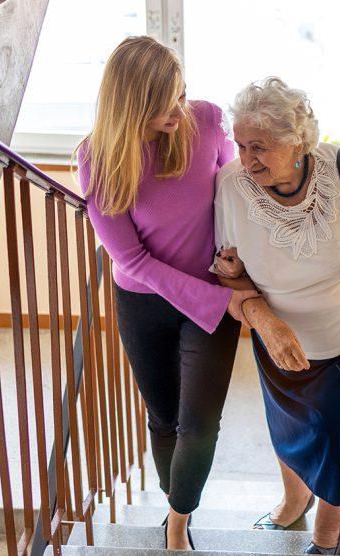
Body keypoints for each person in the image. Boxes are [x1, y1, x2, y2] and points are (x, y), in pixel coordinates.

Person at [76, 36, 258, 551]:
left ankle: (178, 522)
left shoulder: (205, 120)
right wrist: (221, 302)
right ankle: (175, 498)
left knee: (199, 425)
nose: (180, 109)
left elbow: (235, 189)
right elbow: (131, 260)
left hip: (211, 292)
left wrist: (234, 255)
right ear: (132, 105)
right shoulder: (97, 160)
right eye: (165, 104)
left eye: (182, 94)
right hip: (145, 302)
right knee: (164, 419)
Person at [211, 77, 340, 555]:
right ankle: (295, 498)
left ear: (298, 142)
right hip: (275, 342)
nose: (246, 158)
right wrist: (261, 316)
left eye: (260, 146)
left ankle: (328, 530)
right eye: (240, 144)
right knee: (288, 427)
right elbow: (229, 271)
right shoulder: (231, 186)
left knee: (335, 437)